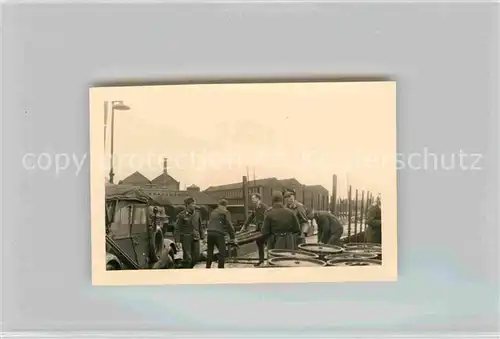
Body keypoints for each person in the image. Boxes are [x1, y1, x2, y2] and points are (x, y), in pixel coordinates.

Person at [206, 199, 236, 269]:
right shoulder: (225, 212)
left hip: (209, 232)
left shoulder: (213, 212)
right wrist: (233, 237)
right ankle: (220, 269)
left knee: (210, 251)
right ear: (226, 205)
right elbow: (229, 225)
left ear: (218, 205)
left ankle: (208, 267)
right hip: (218, 233)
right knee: (222, 252)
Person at [174, 197, 204, 268]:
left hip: (196, 238)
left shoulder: (197, 214)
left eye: (195, 204)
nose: (194, 205)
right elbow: (177, 229)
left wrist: (203, 237)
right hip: (186, 238)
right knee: (188, 258)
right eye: (193, 204)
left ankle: (191, 268)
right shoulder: (181, 215)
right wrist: (177, 241)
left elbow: (200, 226)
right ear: (187, 205)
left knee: (196, 257)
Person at [240, 193, 269, 267]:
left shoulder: (264, 206)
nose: (252, 200)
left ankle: (269, 261)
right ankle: (261, 261)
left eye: (253, 198)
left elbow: (267, 217)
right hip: (258, 229)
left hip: (264, 229)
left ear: (258, 198)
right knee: (259, 245)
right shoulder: (256, 207)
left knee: (268, 245)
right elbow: (251, 217)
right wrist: (244, 226)